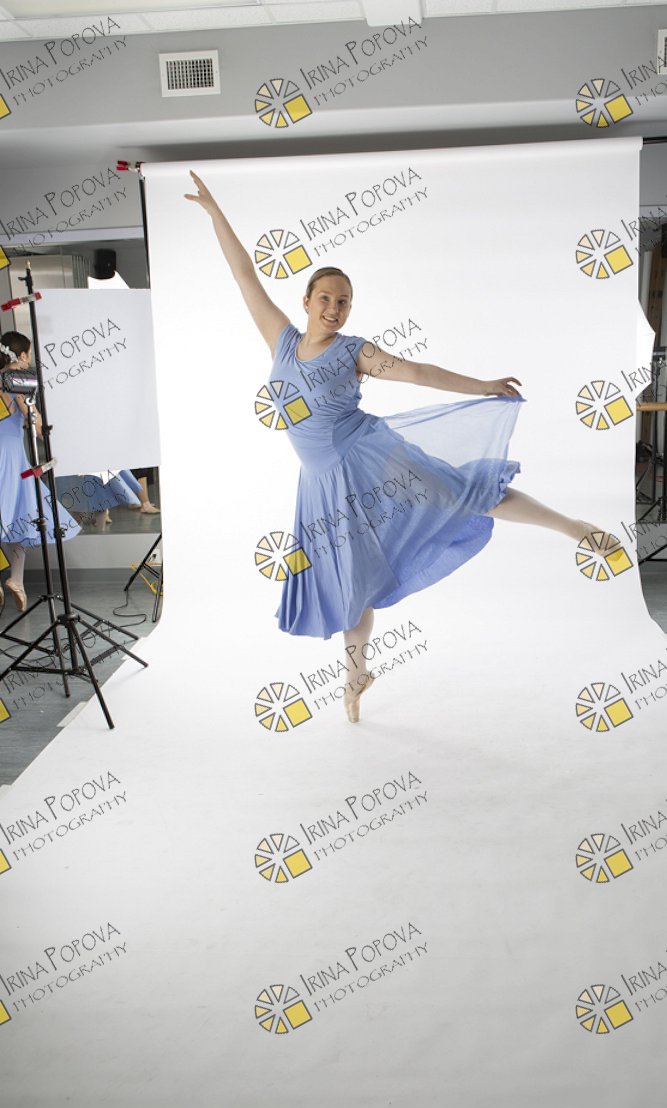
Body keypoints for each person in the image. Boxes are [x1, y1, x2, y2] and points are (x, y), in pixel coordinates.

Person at [186, 172, 616, 721]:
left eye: (344, 302)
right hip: (321, 485)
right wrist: (215, 212)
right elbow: (244, 274)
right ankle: (355, 676)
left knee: (463, 493)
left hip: (369, 456)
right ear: (307, 300)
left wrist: (482, 386)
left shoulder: (354, 351)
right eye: (325, 299)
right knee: (352, 586)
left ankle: (575, 528)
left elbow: (416, 372)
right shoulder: (282, 340)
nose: (334, 308)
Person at [0, 331, 80, 614]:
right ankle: (16, 579)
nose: (29, 360)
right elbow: (33, 422)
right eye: (29, 355)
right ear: (21, 355)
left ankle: (13, 581)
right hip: (11, 458)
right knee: (22, 513)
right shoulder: (17, 381)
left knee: (7, 515)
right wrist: (42, 428)